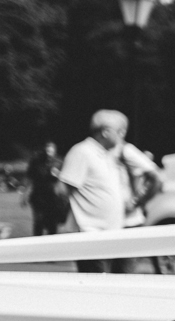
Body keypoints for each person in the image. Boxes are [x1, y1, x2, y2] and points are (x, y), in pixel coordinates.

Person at [57, 110, 160, 271]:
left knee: (111, 286)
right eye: (119, 131)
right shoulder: (82, 151)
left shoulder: (106, 154)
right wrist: (80, 220)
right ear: (105, 132)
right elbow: (62, 189)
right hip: (91, 233)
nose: (123, 136)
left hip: (110, 233)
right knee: (96, 286)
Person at [24, 141, 68, 235]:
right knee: (38, 222)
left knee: (52, 224)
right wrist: (24, 195)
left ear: (55, 151)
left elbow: (66, 179)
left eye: (51, 150)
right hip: (38, 196)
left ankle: (51, 245)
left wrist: (58, 174)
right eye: (47, 150)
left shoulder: (59, 162)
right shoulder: (36, 162)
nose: (49, 153)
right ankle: (37, 243)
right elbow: (29, 179)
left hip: (53, 198)